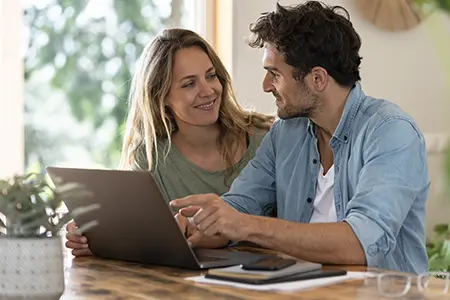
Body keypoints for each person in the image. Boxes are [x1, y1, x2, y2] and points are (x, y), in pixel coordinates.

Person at [170, 1, 430, 274]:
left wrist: (244, 224)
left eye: (275, 74)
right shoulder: (286, 133)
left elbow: (361, 244)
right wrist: (199, 227)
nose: (266, 86)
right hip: (299, 289)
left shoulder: (391, 132)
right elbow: (239, 205)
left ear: (317, 79)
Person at [65, 28, 274, 257]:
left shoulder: (266, 138)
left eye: (211, 76)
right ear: (161, 96)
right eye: (189, 84)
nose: (208, 90)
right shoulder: (151, 158)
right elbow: (133, 233)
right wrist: (96, 238)